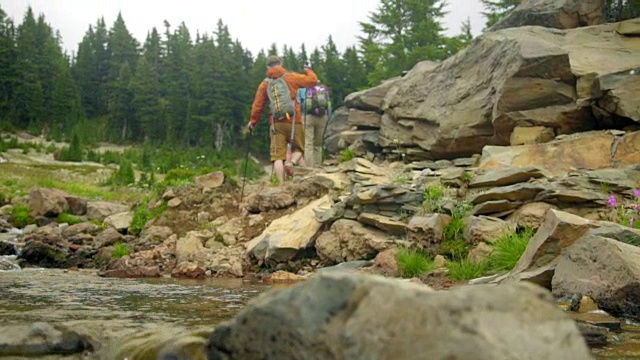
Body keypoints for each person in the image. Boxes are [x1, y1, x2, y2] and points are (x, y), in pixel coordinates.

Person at [247, 55, 318, 184]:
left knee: (277, 156)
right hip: (294, 120)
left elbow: (257, 105)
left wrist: (253, 122)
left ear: (268, 67)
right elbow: (312, 81)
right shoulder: (291, 77)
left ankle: (281, 184)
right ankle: (292, 162)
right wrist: (308, 69)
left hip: (276, 123)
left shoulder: (265, 83)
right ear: (281, 63)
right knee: (299, 149)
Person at [298, 81, 332, 168]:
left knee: (308, 143)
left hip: (308, 117)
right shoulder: (323, 90)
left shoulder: (303, 90)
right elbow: (328, 105)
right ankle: (318, 166)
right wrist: (328, 118)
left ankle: (309, 167)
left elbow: (299, 104)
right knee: (318, 144)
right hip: (322, 117)